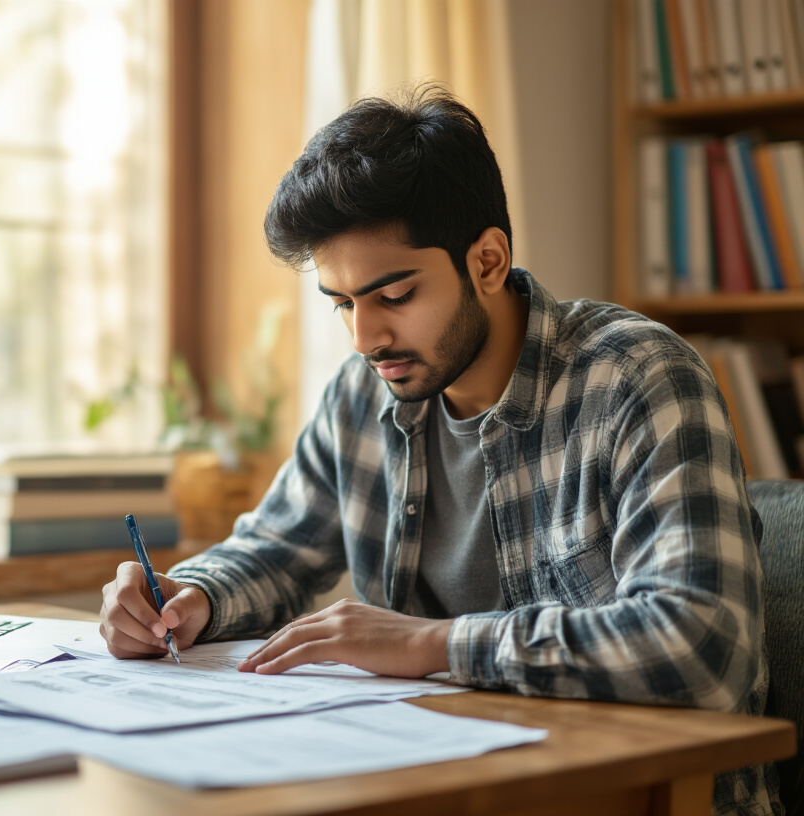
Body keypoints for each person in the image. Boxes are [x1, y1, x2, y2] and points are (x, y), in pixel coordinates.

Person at [98, 86, 775, 815]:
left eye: (393, 296)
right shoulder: (362, 397)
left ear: (487, 261)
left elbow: (702, 648)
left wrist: (431, 645)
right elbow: (274, 548)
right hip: (435, 786)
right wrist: (188, 597)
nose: (364, 339)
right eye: (342, 304)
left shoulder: (638, 379)